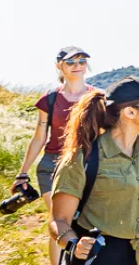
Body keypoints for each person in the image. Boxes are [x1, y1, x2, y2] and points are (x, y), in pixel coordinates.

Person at [49, 76, 139, 265]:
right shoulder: (81, 159)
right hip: (102, 256)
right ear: (129, 112)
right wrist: (74, 244)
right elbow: (59, 220)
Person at [15, 47, 98, 264]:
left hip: (85, 164)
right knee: (59, 219)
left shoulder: (97, 98)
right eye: (71, 62)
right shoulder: (50, 99)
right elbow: (39, 136)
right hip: (51, 165)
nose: (77, 66)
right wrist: (22, 173)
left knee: (82, 219)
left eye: (81, 61)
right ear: (59, 66)